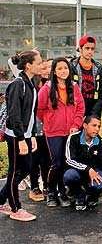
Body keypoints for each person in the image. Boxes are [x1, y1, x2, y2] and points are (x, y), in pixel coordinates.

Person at [0, 51, 42, 221]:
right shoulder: (19, 84)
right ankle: (16, 208)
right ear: (28, 65)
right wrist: (21, 138)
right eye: (38, 62)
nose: (41, 64)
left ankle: (2, 199)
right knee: (15, 171)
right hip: (16, 136)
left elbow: (31, 114)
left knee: (24, 168)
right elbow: (14, 114)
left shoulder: (30, 83)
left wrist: (31, 135)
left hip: (24, 134)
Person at [38, 57, 85, 207]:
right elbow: (39, 110)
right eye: (59, 68)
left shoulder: (74, 87)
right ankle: (51, 191)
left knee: (66, 163)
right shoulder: (47, 88)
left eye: (65, 68)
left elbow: (80, 108)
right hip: (53, 132)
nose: (63, 71)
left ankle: (62, 192)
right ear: (54, 71)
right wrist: (49, 121)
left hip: (70, 131)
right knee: (56, 162)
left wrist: (76, 124)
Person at [64, 115, 102, 211]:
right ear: (85, 125)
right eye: (94, 125)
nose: (97, 129)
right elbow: (69, 160)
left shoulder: (99, 141)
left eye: (99, 126)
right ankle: (79, 194)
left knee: (101, 183)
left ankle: (92, 195)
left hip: (94, 173)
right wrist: (88, 169)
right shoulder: (73, 138)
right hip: (77, 171)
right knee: (69, 176)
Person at [28, 58, 52, 202]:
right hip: (34, 129)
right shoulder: (32, 85)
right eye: (44, 68)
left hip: (49, 129)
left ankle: (47, 186)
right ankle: (34, 186)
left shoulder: (53, 86)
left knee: (47, 160)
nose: (47, 70)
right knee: (34, 160)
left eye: (50, 67)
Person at [70, 35, 102, 117]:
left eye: (92, 49)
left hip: (93, 112)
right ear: (80, 49)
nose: (90, 51)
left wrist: (94, 113)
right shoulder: (71, 68)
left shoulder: (99, 69)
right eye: (87, 48)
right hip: (75, 111)